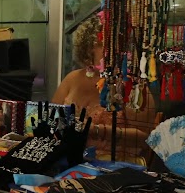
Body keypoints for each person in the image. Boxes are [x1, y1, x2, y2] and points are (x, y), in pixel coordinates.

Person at [51, 16, 157, 160]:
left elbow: (146, 139)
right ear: (87, 48)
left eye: (117, 46)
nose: (112, 51)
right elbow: (50, 119)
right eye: (104, 44)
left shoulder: (133, 85)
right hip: (68, 162)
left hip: (115, 168)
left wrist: (96, 130)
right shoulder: (72, 79)